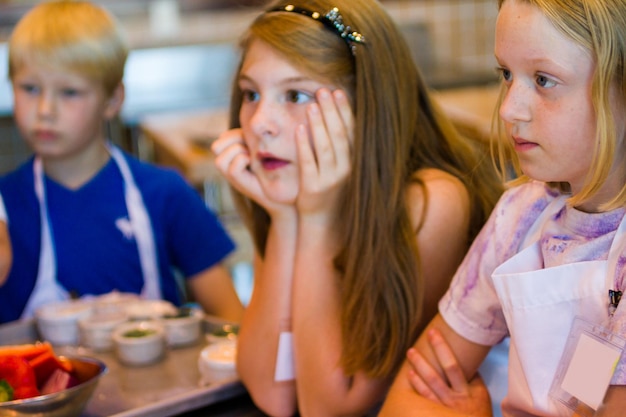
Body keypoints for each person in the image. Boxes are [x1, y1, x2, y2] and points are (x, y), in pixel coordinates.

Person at [210, 0, 503, 415]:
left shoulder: (432, 202)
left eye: (295, 94)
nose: (258, 122)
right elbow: (273, 394)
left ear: (367, 103)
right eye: (251, 93)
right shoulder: (292, 193)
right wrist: (286, 222)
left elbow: (329, 407)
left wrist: (314, 221)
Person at [380, 0, 626, 416]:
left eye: (544, 80)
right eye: (506, 75)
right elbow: (416, 390)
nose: (509, 108)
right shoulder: (523, 214)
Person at [0, 0, 244, 324]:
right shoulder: (5, 205)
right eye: (30, 89)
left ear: (113, 100)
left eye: (69, 92)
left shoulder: (164, 194)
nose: (45, 110)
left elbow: (230, 317)